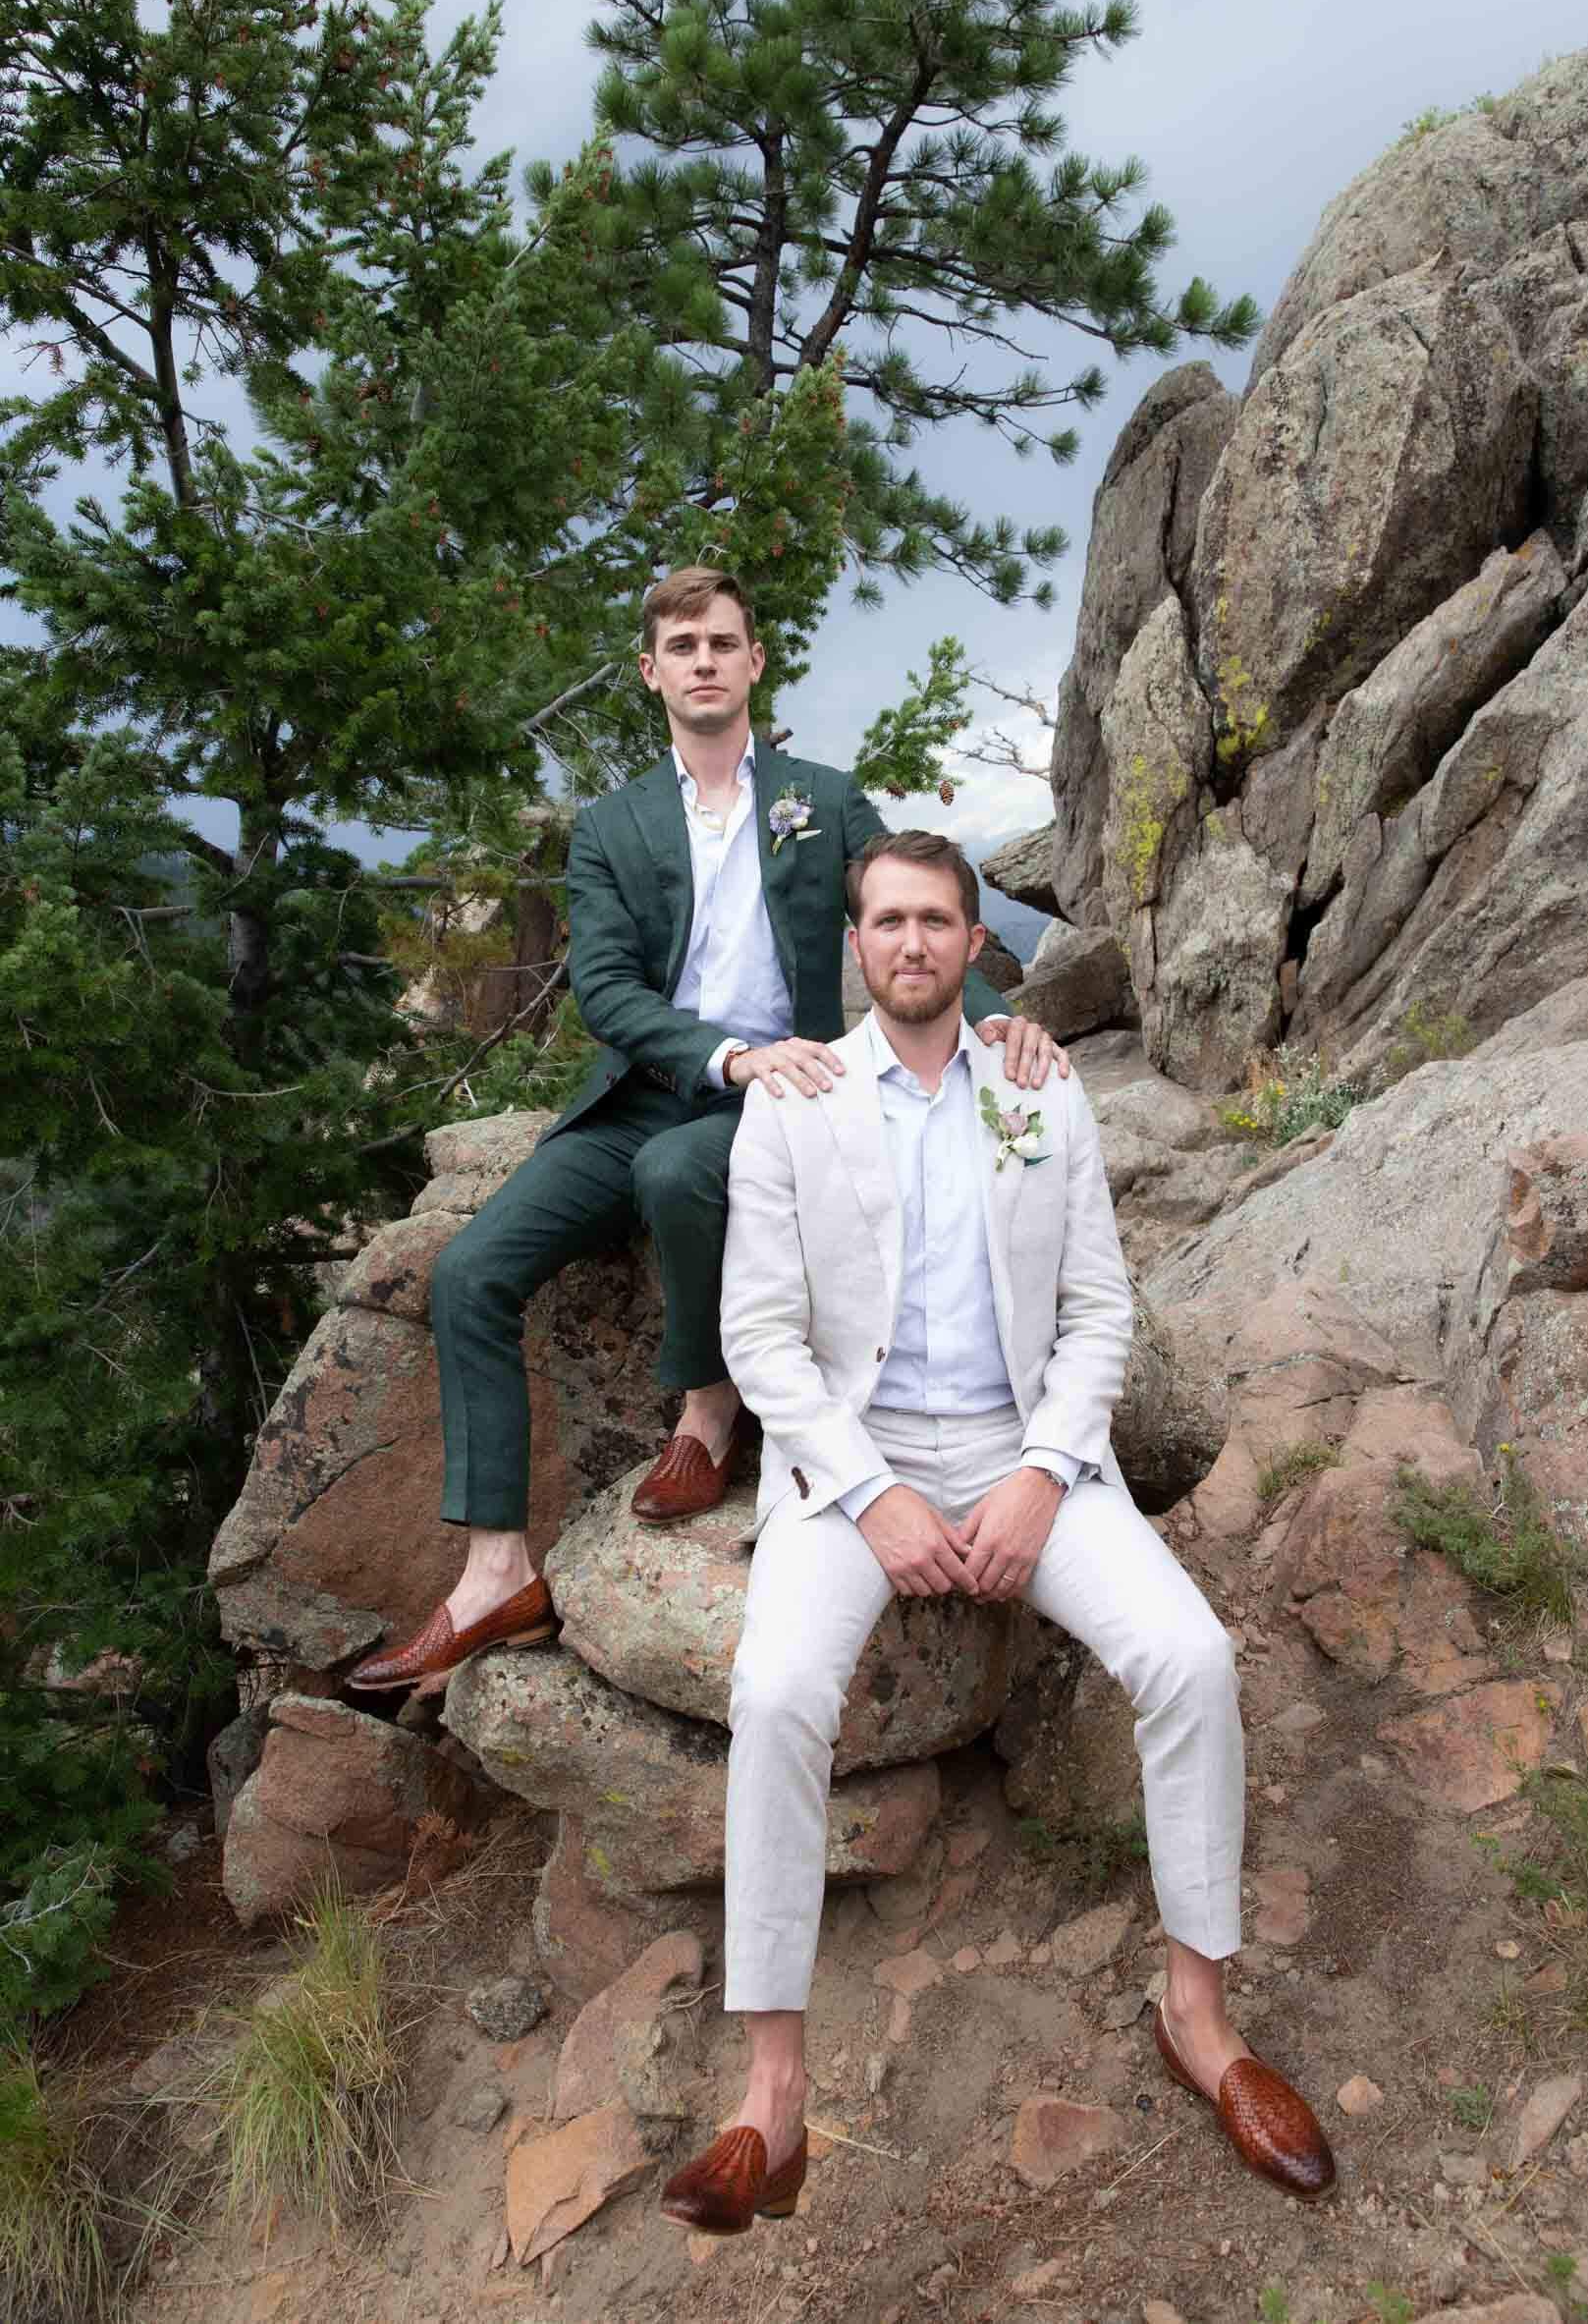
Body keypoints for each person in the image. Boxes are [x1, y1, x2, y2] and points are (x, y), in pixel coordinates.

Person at [658, 830, 1336, 2233]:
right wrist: (872, 1495)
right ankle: (771, 2092)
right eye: (886, 922)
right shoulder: (794, 1103)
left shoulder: (1038, 1091)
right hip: (851, 1465)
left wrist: (1039, 1473)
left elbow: (1096, 1312)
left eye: (937, 922)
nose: (910, 944)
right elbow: (759, 1340)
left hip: (1025, 1449)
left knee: (1190, 1659)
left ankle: (1195, 2013)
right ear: (857, 945)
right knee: (776, 1692)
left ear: (975, 945)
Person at [350, 574, 1066, 1699]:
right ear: (651, 671)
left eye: (722, 642)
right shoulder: (613, 825)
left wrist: (999, 1020)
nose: (702, 662)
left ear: (754, 663)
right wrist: (718, 1054)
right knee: (471, 1274)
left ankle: (707, 1408)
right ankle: (495, 1570)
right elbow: (602, 987)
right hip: (649, 1084)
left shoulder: (820, 800)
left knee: (681, 1171)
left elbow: (908, 913)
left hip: (781, 1098)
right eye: (680, 645)